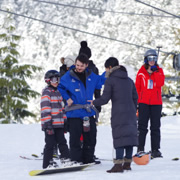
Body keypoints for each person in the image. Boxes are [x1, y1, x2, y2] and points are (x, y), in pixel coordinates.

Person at [89, 57, 138, 173]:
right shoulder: (129, 80)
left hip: (118, 112)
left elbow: (105, 99)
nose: (105, 71)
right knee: (129, 137)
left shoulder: (110, 80)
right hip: (130, 111)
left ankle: (118, 164)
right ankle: (127, 163)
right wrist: (131, 107)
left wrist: (93, 102)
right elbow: (135, 97)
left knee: (120, 136)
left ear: (110, 67)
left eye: (106, 68)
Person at [58, 53, 102, 164]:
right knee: (75, 138)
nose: (79, 67)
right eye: (77, 65)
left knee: (91, 137)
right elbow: (60, 87)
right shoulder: (68, 76)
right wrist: (67, 98)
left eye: (81, 66)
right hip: (74, 112)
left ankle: (88, 158)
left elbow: (102, 80)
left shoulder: (92, 76)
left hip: (88, 112)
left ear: (86, 65)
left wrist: (113, 70)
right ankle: (76, 159)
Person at [135, 49, 165, 158]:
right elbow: (137, 87)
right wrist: (137, 102)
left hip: (156, 103)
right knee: (142, 126)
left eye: (154, 58)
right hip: (143, 102)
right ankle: (140, 148)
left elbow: (160, 83)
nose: (152, 61)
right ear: (146, 59)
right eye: (150, 58)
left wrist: (155, 72)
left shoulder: (159, 71)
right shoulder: (141, 72)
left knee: (155, 126)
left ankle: (155, 149)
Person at [41, 70, 70, 169]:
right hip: (50, 125)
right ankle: (47, 163)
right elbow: (45, 110)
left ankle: (66, 160)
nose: (56, 82)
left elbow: (62, 109)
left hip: (59, 124)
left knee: (62, 142)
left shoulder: (58, 92)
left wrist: (65, 121)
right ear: (48, 80)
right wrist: (48, 124)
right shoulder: (46, 93)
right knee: (50, 144)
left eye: (58, 79)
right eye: (54, 79)